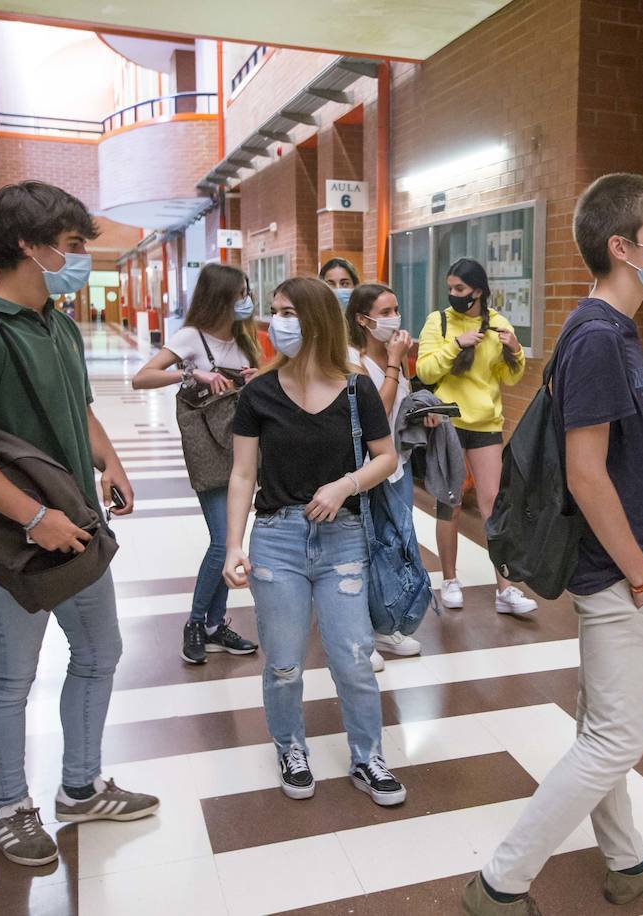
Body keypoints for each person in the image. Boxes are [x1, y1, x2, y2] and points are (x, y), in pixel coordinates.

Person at [461, 174, 643, 915]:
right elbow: (588, 476)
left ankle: (625, 861)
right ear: (621, 247)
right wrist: (642, 573)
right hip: (617, 573)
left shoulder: (612, 331)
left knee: (604, 726)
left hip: (622, 569)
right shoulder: (597, 337)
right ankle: (502, 883)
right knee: (614, 744)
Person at [0, 181, 158, 868]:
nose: (80, 257)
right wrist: (32, 517)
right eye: (74, 245)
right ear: (29, 246)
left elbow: (77, 404)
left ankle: (80, 788)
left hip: (73, 528)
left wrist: (108, 460)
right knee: (10, 680)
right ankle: (10, 807)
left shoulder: (54, 320)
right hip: (10, 545)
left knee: (99, 654)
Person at [222, 276, 407, 807]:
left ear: (318, 320)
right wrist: (235, 545)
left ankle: (368, 756)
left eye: (289, 312)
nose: (278, 322)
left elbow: (386, 457)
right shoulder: (258, 391)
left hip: (342, 537)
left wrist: (345, 484)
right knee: (283, 661)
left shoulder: (356, 388)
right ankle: (290, 747)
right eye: (275, 311)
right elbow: (241, 474)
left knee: (353, 656)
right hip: (277, 539)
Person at [132, 263, 261, 665]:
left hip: (241, 448)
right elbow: (142, 377)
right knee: (224, 541)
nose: (246, 300)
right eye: (240, 293)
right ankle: (195, 622)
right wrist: (192, 374)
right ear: (220, 296)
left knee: (231, 541)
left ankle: (214, 624)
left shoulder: (244, 338)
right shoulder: (191, 337)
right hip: (208, 447)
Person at [416, 258, 537, 617]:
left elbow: (509, 377)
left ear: (478, 291)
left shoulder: (498, 323)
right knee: (450, 502)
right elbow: (425, 369)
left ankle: (505, 587)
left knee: (493, 505)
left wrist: (514, 349)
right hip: (448, 422)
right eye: (450, 288)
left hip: (485, 424)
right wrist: (456, 344)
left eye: (460, 289)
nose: (453, 295)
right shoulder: (438, 322)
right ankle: (450, 579)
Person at [344, 282, 424, 663]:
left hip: (398, 466)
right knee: (366, 549)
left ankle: (383, 626)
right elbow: (374, 412)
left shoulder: (395, 357)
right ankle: (360, 635)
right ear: (363, 320)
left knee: (393, 548)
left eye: (396, 309)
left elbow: (397, 412)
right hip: (368, 470)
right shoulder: (353, 359)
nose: (394, 318)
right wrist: (394, 361)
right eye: (385, 312)